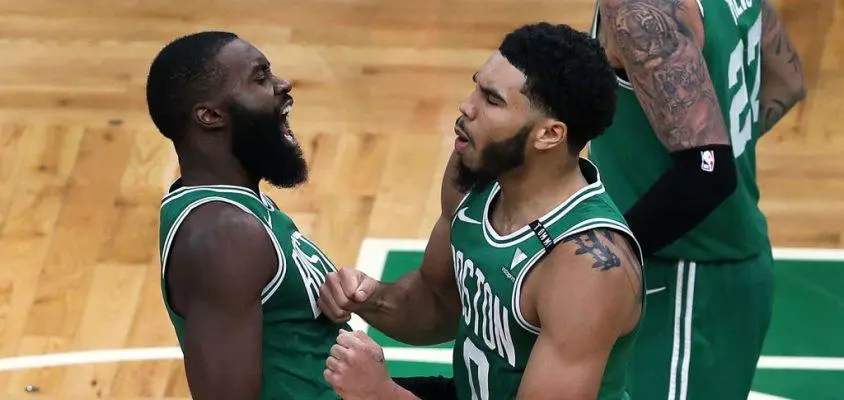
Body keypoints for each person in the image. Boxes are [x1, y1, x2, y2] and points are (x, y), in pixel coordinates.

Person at [317, 22, 645, 399]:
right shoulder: (475, 170)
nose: (466, 106)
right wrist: (369, 297)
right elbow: (439, 303)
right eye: (476, 86)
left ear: (549, 135)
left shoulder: (586, 267)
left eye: (492, 100)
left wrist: (383, 394)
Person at [586, 0, 807, 399]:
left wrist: (598, 260)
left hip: (680, 285)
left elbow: (706, 174)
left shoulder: (640, 7)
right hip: (733, 267)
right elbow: (787, 81)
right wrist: (706, 135)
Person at [146, 31, 351, 399]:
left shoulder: (236, 206)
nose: (282, 84)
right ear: (210, 116)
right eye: (260, 77)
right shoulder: (225, 234)